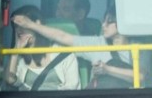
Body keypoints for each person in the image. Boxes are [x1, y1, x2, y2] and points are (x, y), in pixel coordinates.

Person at [11, 7, 142, 88]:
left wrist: (107, 69)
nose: (103, 25)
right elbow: (62, 36)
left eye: (109, 21)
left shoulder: (140, 47)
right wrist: (31, 25)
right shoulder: (98, 43)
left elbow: (141, 77)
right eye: (103, 20)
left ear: (124, 23)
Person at [2, 5, 81, 91]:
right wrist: (16, 51)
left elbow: (72, 86)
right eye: (16, 26)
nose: (19, 30)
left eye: (23, 25)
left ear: (37, 24)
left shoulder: (63, 52)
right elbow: (10, 80)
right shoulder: (18, 57)